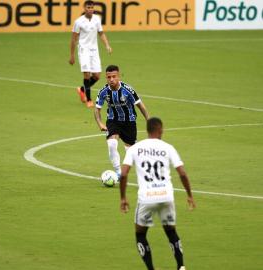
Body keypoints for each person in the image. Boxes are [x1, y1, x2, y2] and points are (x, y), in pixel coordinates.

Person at [119, 117, 196, 270]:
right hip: (166, 196)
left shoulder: (135, 148)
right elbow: (182, 173)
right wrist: (189, 195)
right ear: (160, 129)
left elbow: (124, 174)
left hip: (146, 198)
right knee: (171, 232)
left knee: (140, 234)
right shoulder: (168, 147)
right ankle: (181, 266)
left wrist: (123, 198)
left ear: (148, 130)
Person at [94, 65, 149, 177]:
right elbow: (97, 109)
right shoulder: (103, 91)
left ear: (118, 76)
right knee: (112, 144)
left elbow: (140, 106)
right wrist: (100, 123)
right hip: (113, 120)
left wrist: (149, 121)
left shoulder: (128, 90)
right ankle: (119, 172)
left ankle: (145, 170)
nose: (111, 79)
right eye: (109, 77)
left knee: (131, 152)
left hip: (129, 122)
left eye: (114, 76)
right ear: (106, 77)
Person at [69, 0, 112, 108]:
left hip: (94, 50)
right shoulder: (79, 22)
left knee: (97, 76)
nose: (90, 9)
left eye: (92, 7)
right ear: (84, 8)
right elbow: (74, 39)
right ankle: (88, 99)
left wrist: (107, 45)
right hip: (83, 50)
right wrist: (72, 55)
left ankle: (82, 89)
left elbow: (101, 33)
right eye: (88, 7)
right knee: (87, 75)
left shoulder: (97, 19)